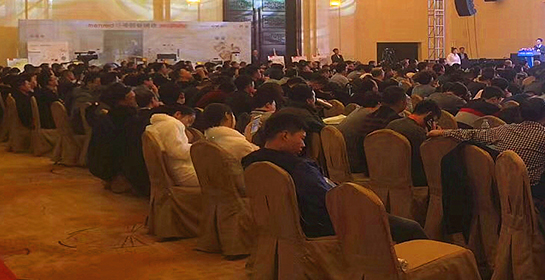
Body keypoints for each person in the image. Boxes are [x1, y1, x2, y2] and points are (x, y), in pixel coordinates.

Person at [242, 112, 426, 242]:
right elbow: (330, 200)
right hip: (323, 225)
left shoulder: (250, 162)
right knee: (410, 228)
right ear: (284, 136)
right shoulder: (299, 167)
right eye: (301, 138)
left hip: (282, 228)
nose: (303, 145)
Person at [430, 98, 545, 197]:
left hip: (498, 184)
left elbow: (473, 134)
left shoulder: (504, 129)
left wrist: (443, 132)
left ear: (521, 114)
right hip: (527, 189)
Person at [387, 100, 441, 187]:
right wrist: (434, 139)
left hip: (390, 173)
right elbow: (428, 160)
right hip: (413, 179)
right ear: (430, 116)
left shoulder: (392, 124)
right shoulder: (418, 133)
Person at [146, 105, 199, 187]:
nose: (188, 125)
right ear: (178, 114)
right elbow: (177, 151)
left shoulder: (157, 125)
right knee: (217, 175)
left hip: (173, 171)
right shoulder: (172, 124)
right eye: (189, 120)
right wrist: (197, 148)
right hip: (183, 172)